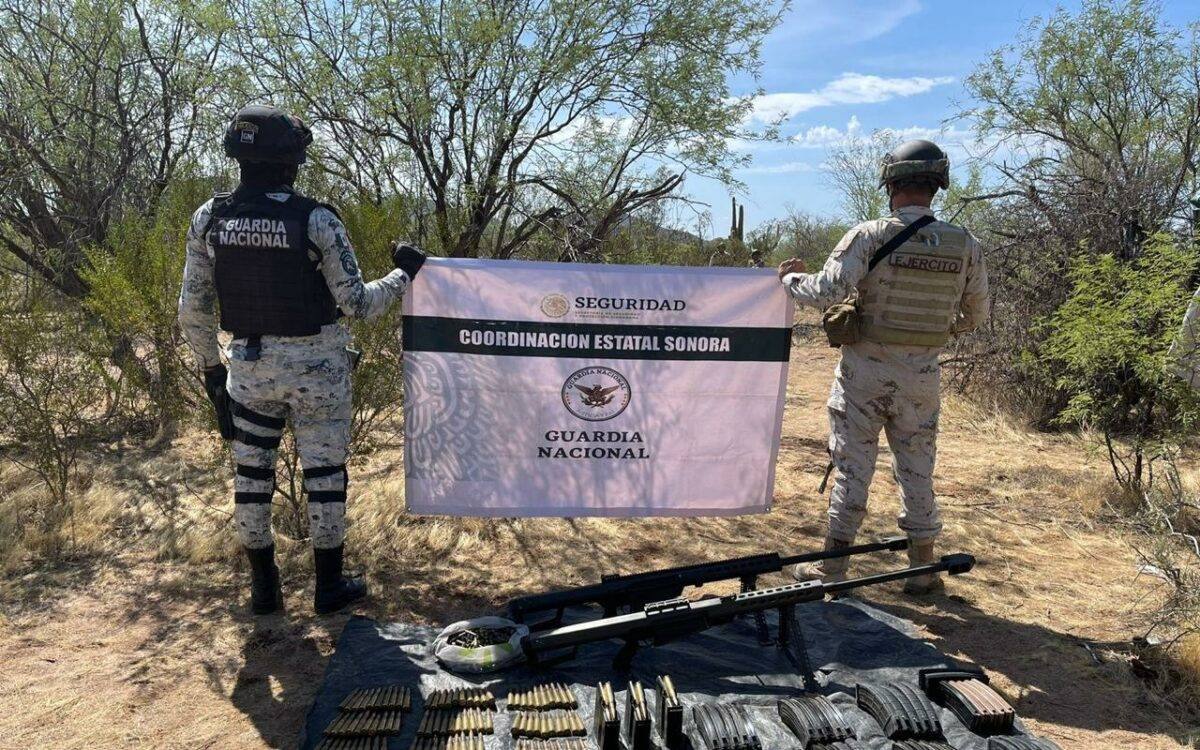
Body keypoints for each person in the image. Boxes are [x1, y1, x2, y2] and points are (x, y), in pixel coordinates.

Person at [178, 104, 427, 615]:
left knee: (251, 480)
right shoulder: (316, 219)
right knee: (325, 478)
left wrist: (211, 370)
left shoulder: (210, 218)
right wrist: (405, 273)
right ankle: (328, 587)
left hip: (248, 369)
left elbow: (192, 309)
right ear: (291, 160)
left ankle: (264, 590)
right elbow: (357, 304)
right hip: (319, 372)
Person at [776, 139, 989, 594]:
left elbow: (827, 291)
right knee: (918, 469)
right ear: (937, 185)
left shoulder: (870, 235)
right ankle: (924, 570)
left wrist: (789, 279)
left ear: (891, 184)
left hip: (864, 375)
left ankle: (832, 569)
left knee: (853, 467)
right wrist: (930, 332)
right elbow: (975, 316)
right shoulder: (965, 244)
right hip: (922, 378)